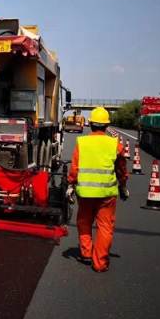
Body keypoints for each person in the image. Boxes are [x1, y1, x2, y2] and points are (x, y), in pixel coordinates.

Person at [67, 106, 129, 272]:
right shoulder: (114, 144)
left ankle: (86, 253)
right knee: (105, 227)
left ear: (91, 124)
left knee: (84, 221)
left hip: (85, 193)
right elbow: (122, 168)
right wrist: (123, 185)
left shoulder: (82, 142)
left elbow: (74, 168)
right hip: (107, 194)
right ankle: (100, 263)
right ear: (106, 125)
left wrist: (70, 184)